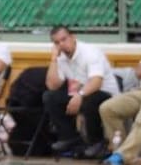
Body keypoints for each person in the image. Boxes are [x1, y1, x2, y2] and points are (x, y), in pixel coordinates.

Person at [44, 25, 120, 158]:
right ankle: (69, 137)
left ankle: (96, 142)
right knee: (50, 97)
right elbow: (52, 85)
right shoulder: (60, 57)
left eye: (64, 39)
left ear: (73, 37)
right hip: (79, 93)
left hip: (105, 93)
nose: (61, 44)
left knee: (89, 101)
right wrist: (53, 59)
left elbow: (96, 82)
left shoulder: (90, 52)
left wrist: (80, 96)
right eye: (57, 42)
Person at [99, 53, 141, 165]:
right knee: (108, 108)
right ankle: (120, 150)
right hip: (140, 89)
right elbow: (140, 72)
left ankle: (121, 156)